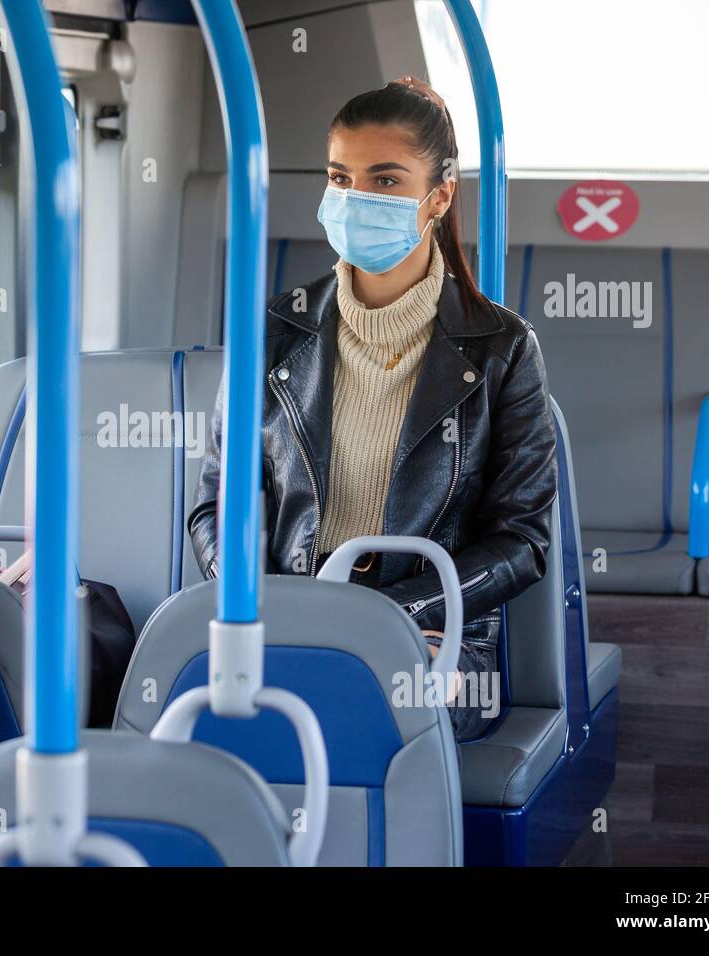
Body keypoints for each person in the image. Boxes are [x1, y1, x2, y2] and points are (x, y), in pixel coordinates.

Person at [189, 77, 557, 740]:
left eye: (385, 181)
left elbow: (523, 541)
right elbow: (215, 505)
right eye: (341, 177)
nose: (357, 199)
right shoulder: (271, 332)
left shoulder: (504, 350)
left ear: (438, 196)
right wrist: (260, 603)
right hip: (278, 623)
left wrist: (392, 614)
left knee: (347, 714)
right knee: (201, 710)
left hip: (434, 636)